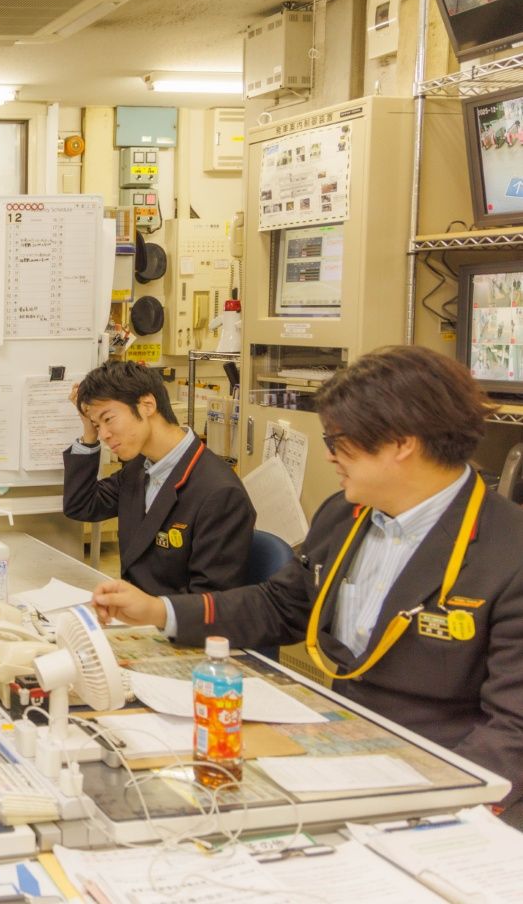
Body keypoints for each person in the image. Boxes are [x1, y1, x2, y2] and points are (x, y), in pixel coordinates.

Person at [93, 346, 523, 819]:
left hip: (447, 781)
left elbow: (513, 729)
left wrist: (445, 809)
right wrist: (161, 612)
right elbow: (282, 606)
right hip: (342, 748)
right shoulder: (345, 515)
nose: (329, 455)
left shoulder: (507, 551)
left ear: (403, 442)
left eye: (340, 440)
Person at [63, 361, 254, 596]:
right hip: (134, 621)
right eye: (96, 425)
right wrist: (88, 430)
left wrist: (145, 613)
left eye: (108, 419)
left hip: (174, 628)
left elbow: (211, 605)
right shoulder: (139, 468)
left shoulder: (220, 494)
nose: (103, 435)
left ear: (147, 405)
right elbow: (82, 505)